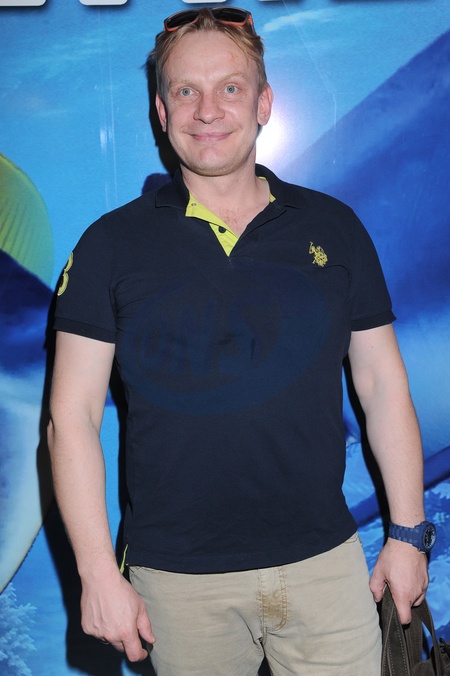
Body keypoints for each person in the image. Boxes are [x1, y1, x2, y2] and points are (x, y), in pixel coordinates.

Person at [47, 7, 433, 675]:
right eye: (185, 91)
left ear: (264, 103)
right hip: (177, 582)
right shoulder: (110, 244)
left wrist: (406, 533)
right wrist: (97, 574)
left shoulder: (334, 228)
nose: (207, 110)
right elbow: (70, 417)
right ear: (160, 112)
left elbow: (382, 385)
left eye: (229, 87)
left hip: (324, 565)